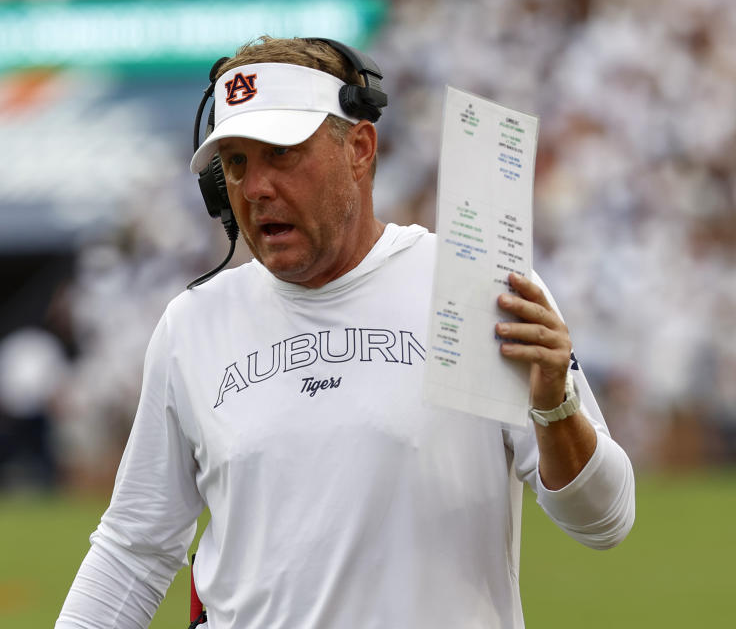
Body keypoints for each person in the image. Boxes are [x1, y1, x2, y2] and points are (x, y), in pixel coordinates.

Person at [55, 36, 635, 629]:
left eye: (281, 153)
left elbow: (605, 520)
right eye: (236, 163)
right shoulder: (194, 323)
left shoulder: (474, 288)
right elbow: (134, 549)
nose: (255, 188)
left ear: (359, 148)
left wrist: (555, 408)